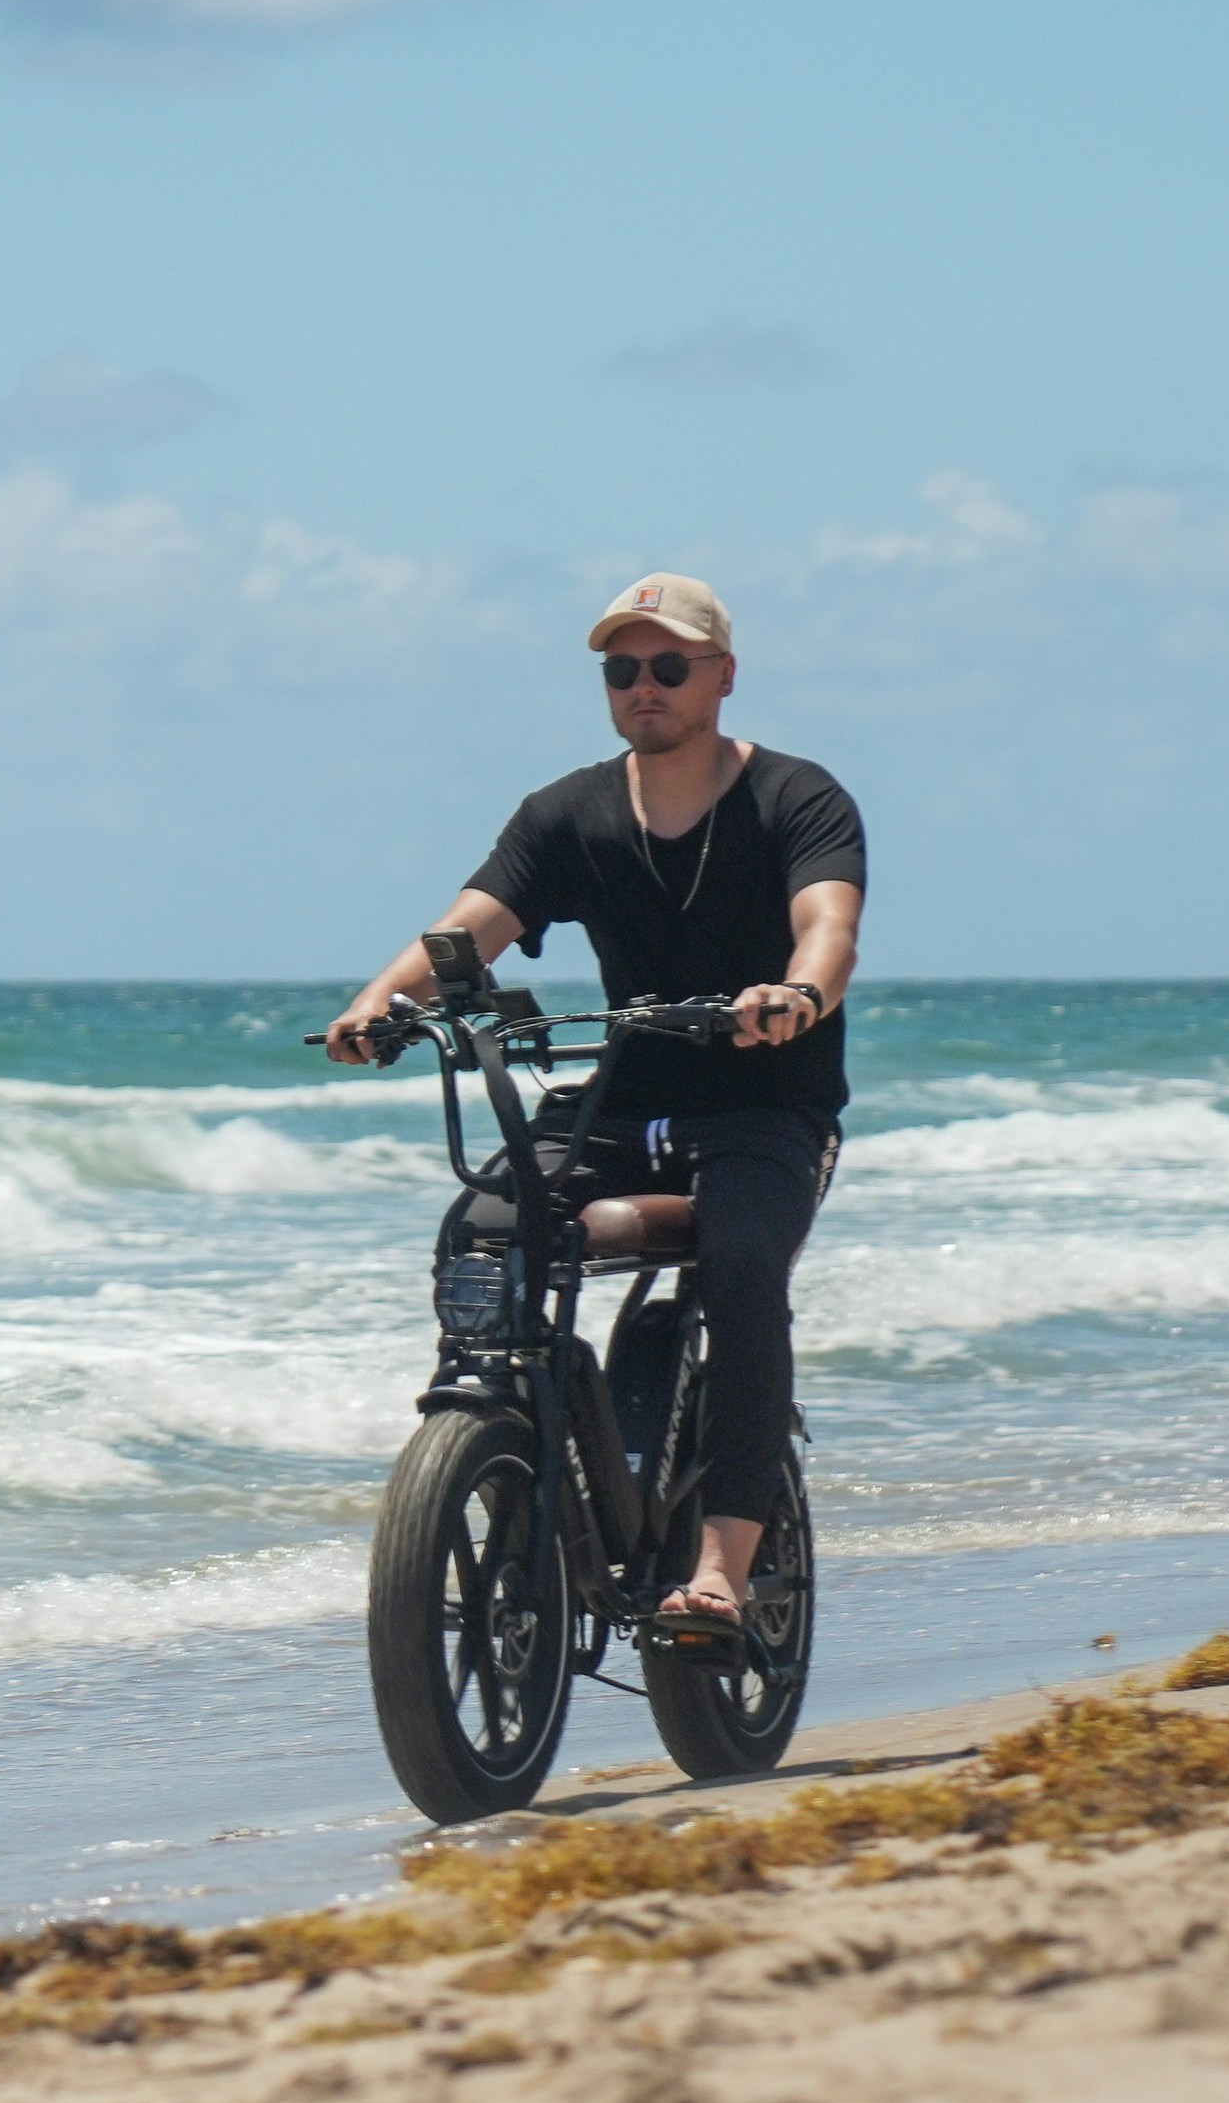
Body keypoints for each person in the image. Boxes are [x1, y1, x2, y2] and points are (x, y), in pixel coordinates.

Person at [317, 572, 866, 1634]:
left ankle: (721, 1567)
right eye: (623, 669)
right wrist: (378, 1005)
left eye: (669, 665)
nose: (644, 686)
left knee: (745, 1268)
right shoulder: (568, 814)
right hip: (625, 1104)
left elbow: (829, 926)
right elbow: (469, 926)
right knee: (482, 1226)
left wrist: (796, 995)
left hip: (768, 1111)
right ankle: (510, 1445)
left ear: (722, 675)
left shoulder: (797, 798)